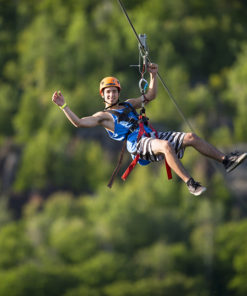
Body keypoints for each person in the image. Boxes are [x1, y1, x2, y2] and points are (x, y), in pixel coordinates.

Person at [52, 63, 247, 196]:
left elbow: (151, 95)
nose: (111, 95)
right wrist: (64, 106)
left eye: (114, 91)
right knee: (164, 146)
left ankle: (226, 160)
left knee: (190, 137)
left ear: (118, 93)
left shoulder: (128, 104)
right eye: (108, 92)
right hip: (136, 143)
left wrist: (153, 75)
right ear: (103, 96)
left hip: (149, 134)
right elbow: (78, 122)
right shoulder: (103, 116)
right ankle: (190, 183)